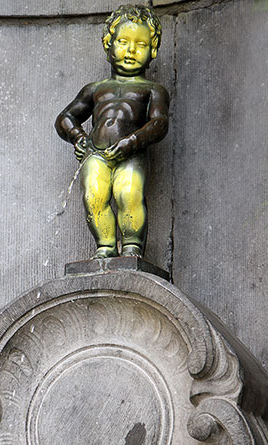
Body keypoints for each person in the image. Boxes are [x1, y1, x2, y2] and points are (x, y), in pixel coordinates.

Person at [55, 4, 169, 259]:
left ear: (152, 50)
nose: (131, 50)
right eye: (123, 41)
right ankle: (105, 247)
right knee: (93, 196)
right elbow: (65, 117)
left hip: (131, 152)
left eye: (140, 45)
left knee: (128, 193)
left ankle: (132, 247)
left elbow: (159, 123)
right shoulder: (95, 89)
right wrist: (78, 137)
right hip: (96, 153)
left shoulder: (152, 90)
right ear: (109, 44)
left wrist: (132, 142)